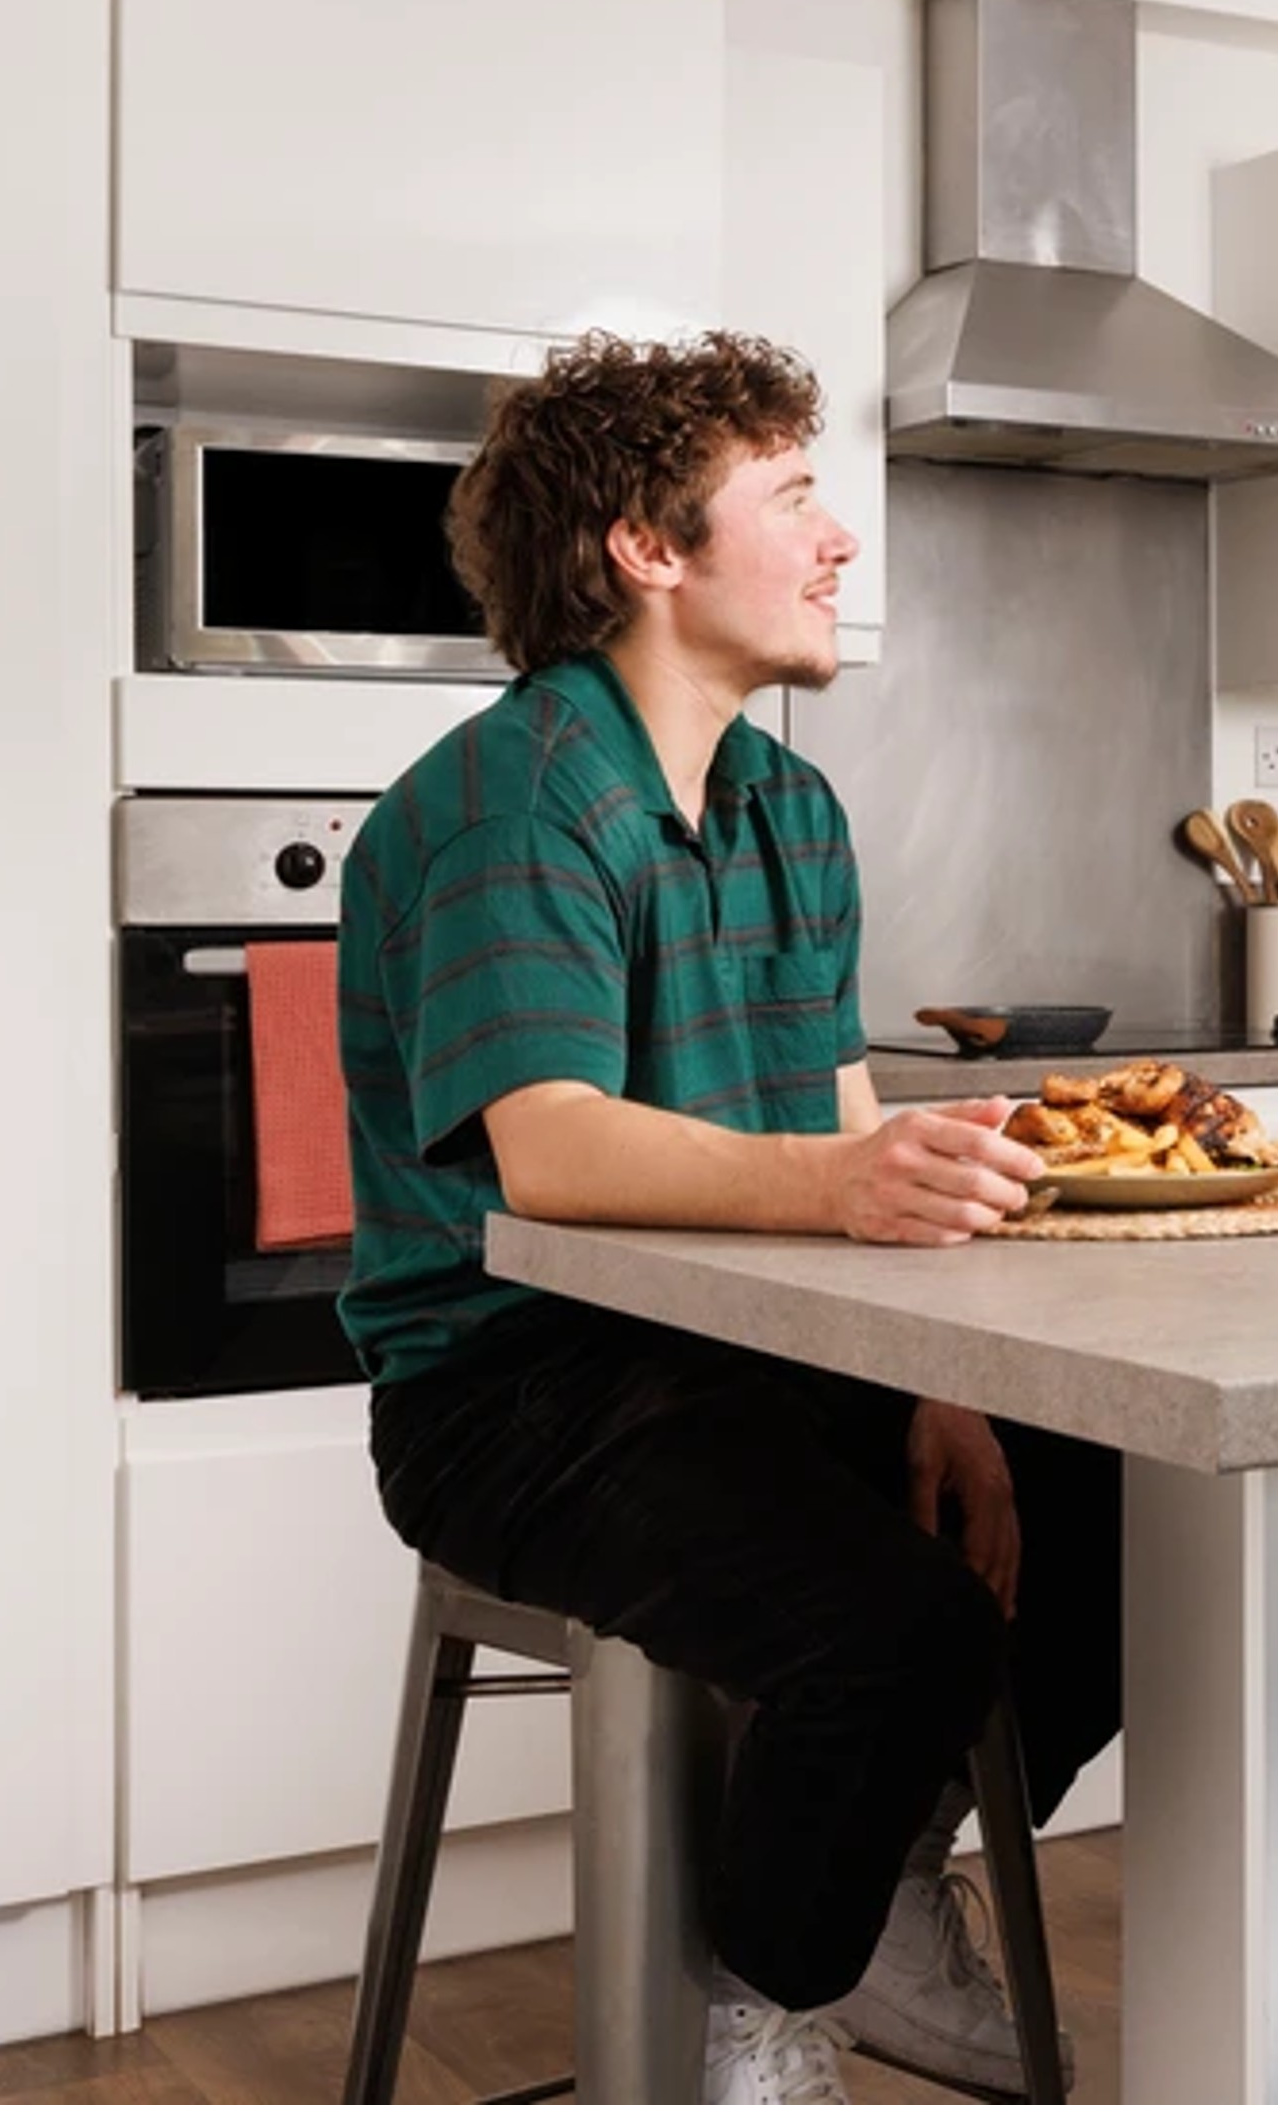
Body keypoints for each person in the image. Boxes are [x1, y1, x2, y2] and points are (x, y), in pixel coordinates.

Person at [338, 330, 1105, 2105]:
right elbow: (552, 1149)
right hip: (515, 1392)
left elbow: (847, 1141)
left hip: (752, 1361)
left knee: (1121, 1503)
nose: (841, 541)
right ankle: (757, 1990)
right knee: (894, 1630)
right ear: (648, 549)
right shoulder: (523, 790)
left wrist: (942, 1382)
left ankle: (876, 1898)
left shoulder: (793, 808)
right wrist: (846, 1185)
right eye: (795, 497)